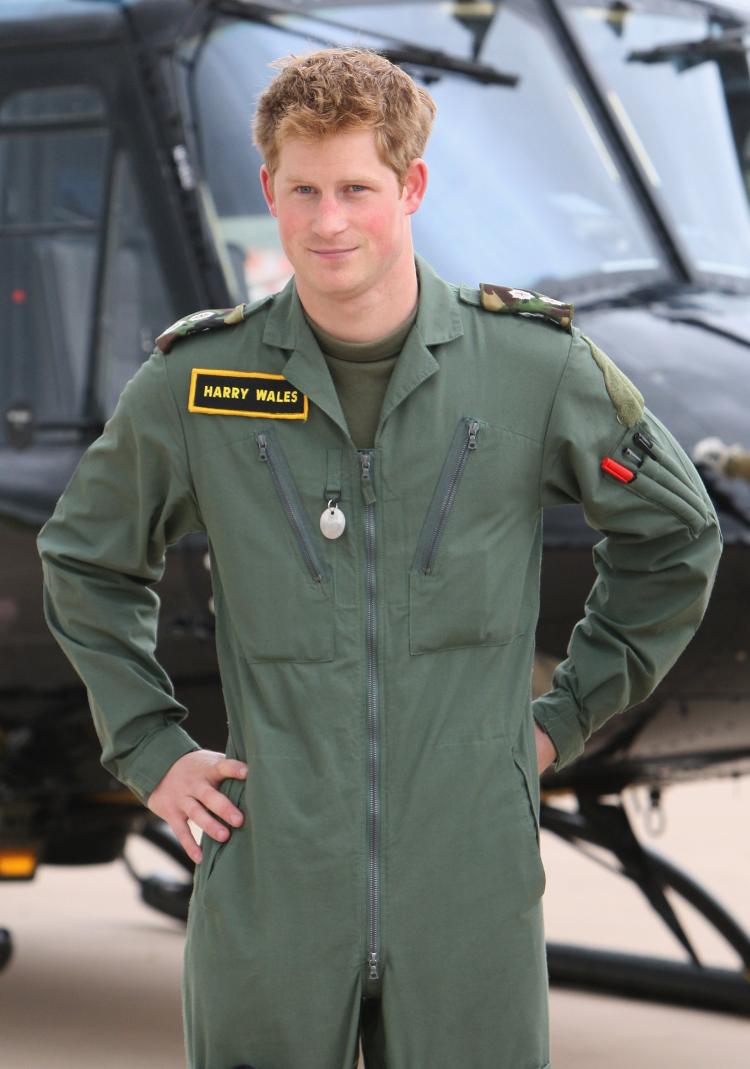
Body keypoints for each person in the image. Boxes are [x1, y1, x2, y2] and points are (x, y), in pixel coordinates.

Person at [38, 47, 722, 1069]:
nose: (328, 222)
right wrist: (150, 744)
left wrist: (564, 717)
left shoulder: (531, 365)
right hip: (271, 881)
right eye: (303, 191)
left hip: (469, 884)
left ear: (411, 186)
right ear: (267, 189)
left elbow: (675, 534)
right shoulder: (200, 381)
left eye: (357, 188)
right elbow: (85, 559)